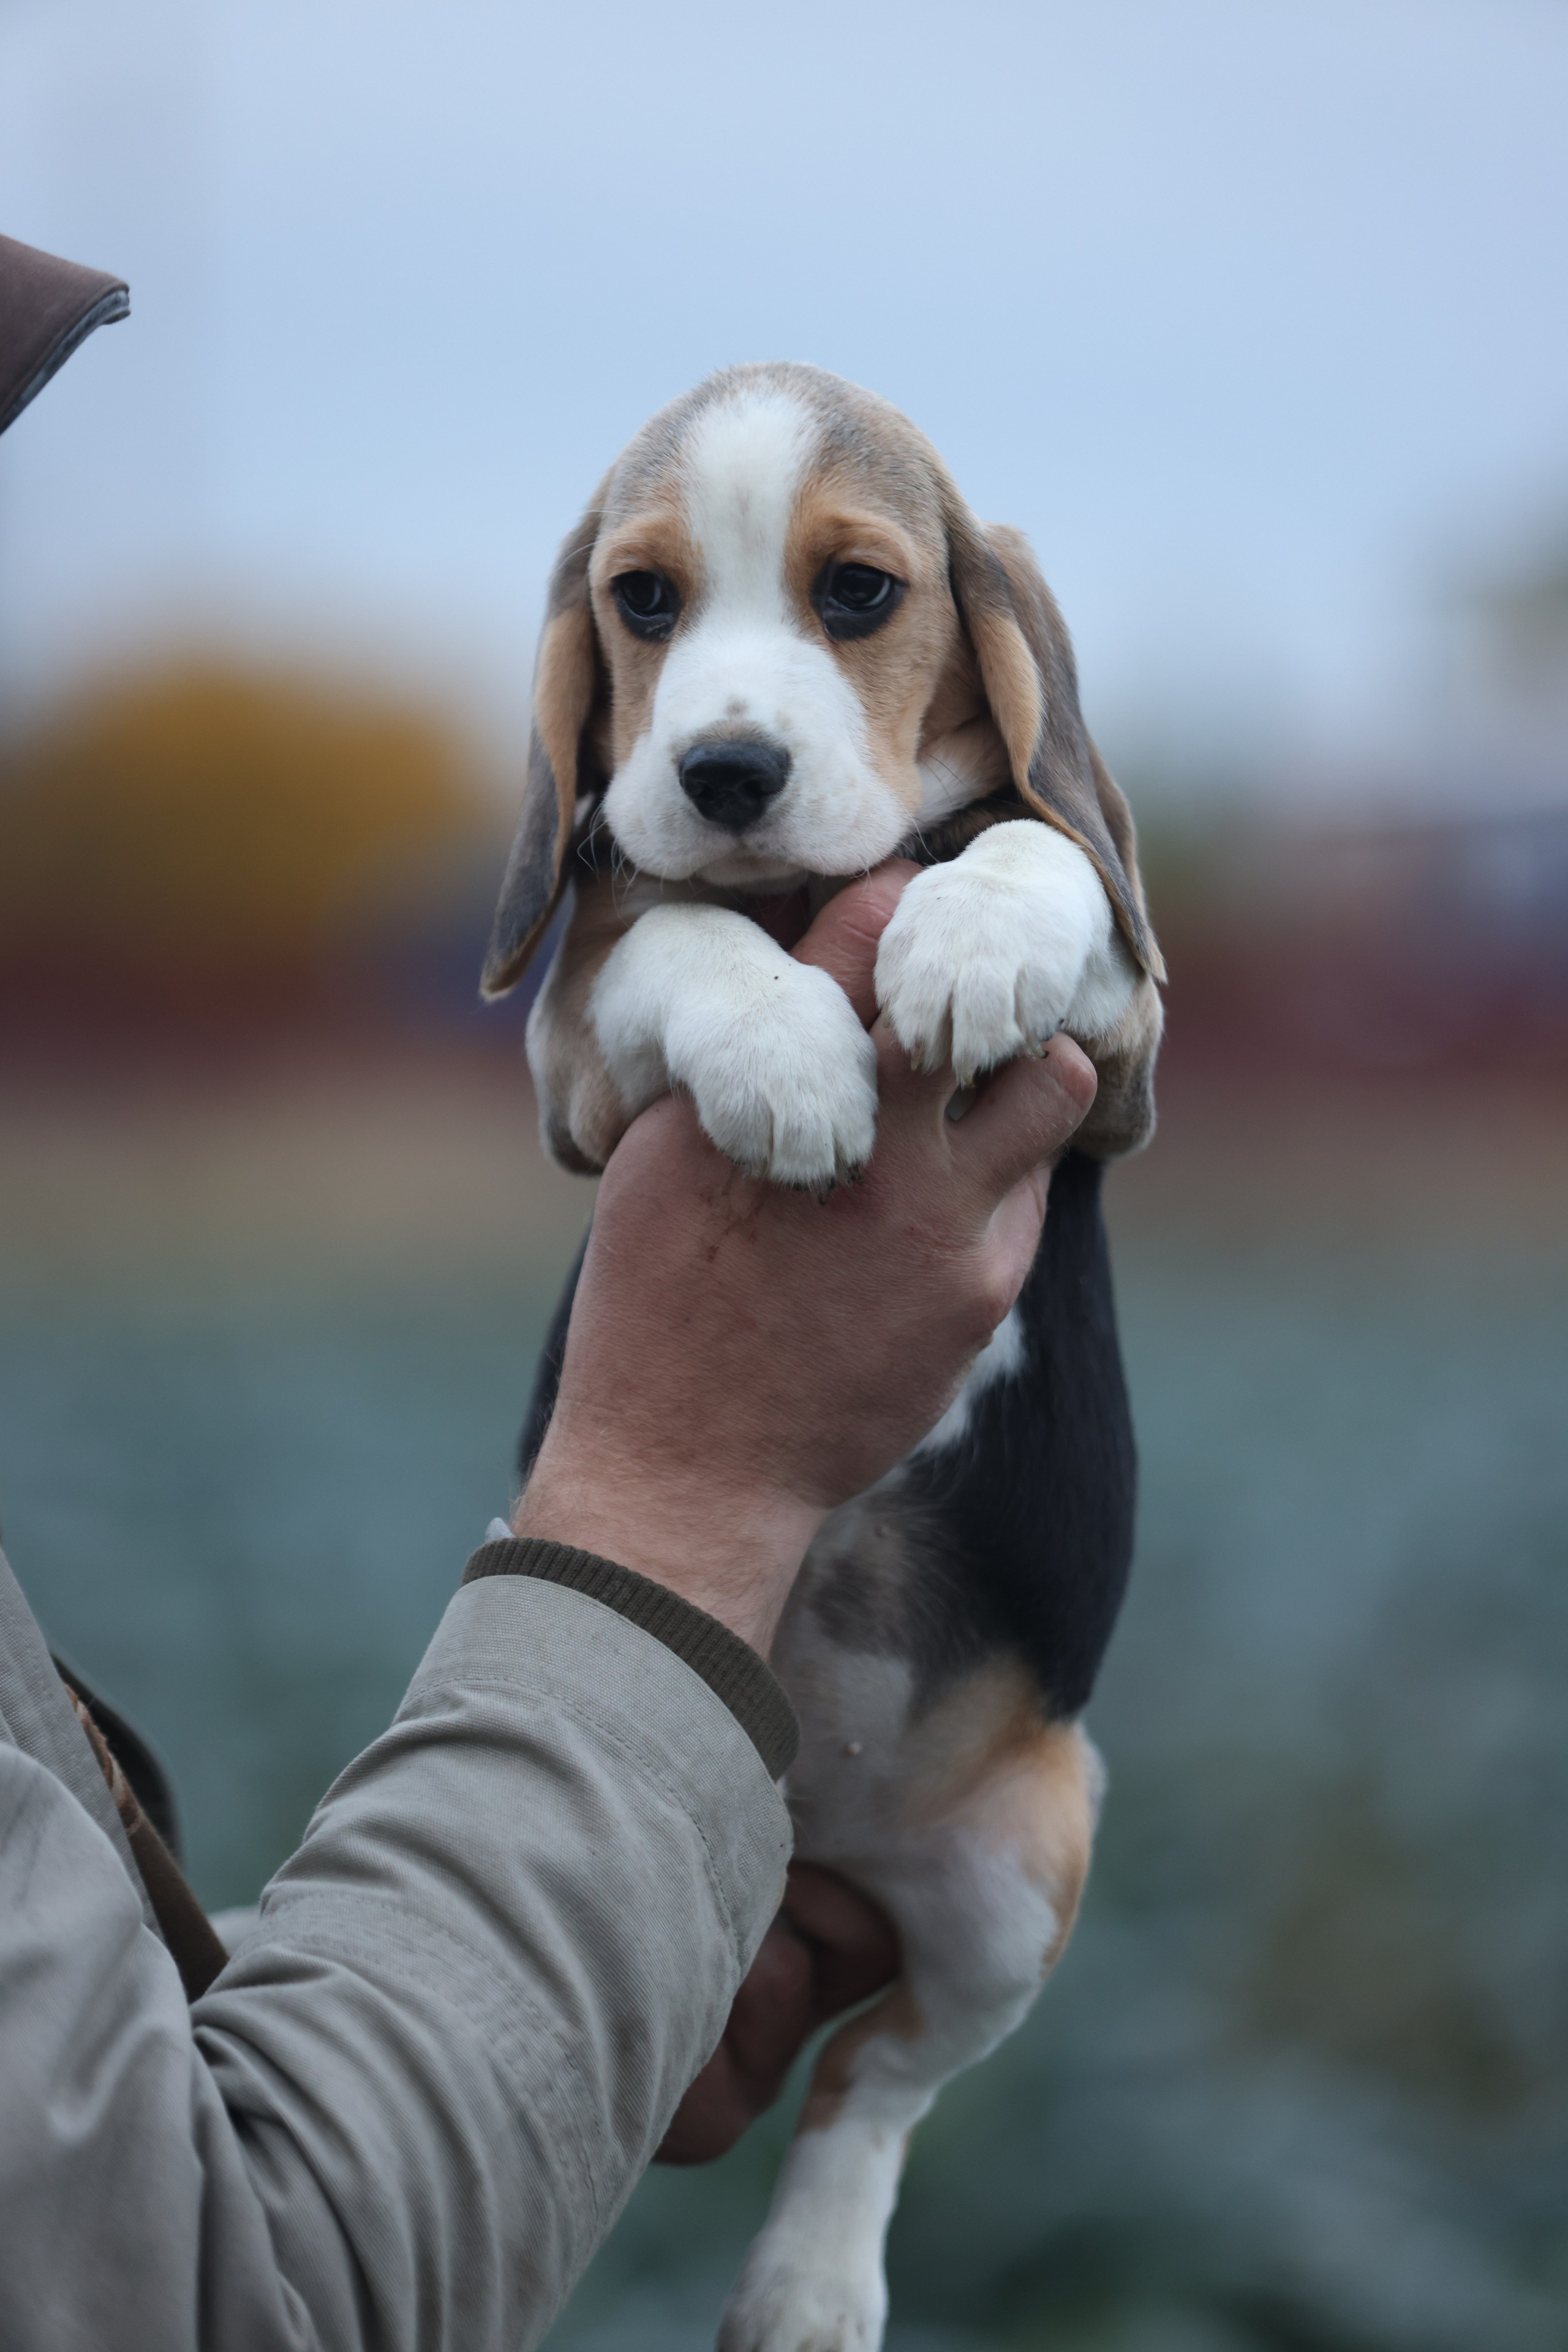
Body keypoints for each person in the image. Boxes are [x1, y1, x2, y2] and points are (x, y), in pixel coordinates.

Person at [0, 236, 1098, 2350]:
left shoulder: (1017, 845)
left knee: (996, 1902)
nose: (730, 694)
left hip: (926, 1775)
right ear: (588, 669)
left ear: (982, 649)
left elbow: (90, 2175)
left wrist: (510, 1986)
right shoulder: (628, 930)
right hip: (700, 1703)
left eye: (851, 592)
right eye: (655, 606)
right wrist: (688, 1481)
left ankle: (858, 2134)